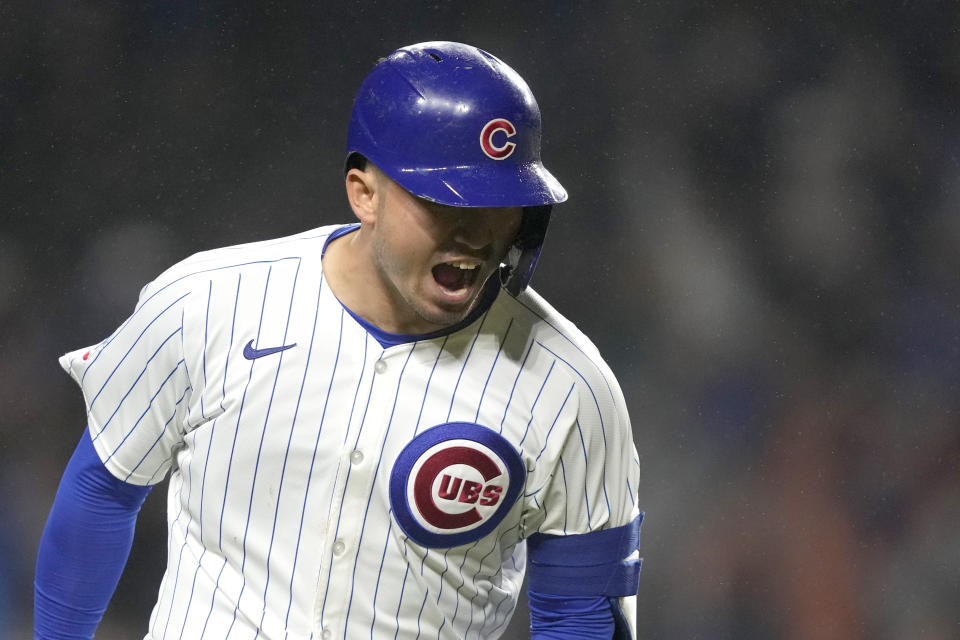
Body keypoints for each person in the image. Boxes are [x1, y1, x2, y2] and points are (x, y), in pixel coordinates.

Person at [35, 41, 643, 639]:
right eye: (445, 201)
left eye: (500, 205)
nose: (477, 235)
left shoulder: (574, 387)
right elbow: (103, 489)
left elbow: (580, 612)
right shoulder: (208, 301)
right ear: (364, 193)